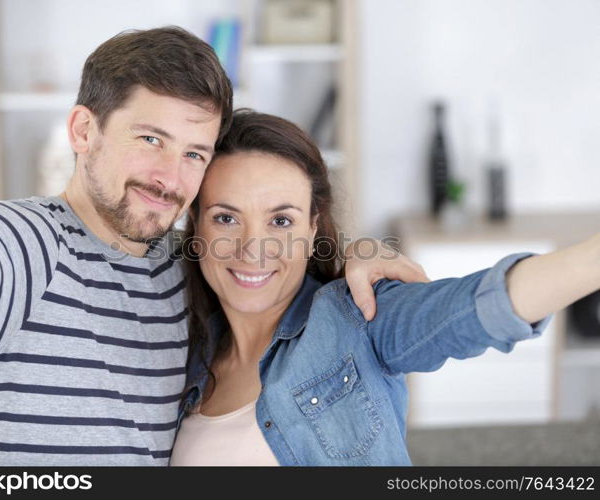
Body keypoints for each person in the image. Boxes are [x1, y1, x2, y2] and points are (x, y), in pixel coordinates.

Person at [0, 27, 426, 465]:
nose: (169, 178)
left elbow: (263, 244)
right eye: (150, 139)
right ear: (84, 131)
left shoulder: (185, 264)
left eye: (194, 153)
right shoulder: (23, 238)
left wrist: (356, 255)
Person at [170, 109, 600, 466]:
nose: (252, 248)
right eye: (226, 218)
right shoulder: (180, 351)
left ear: (313, 227)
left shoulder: (356, 317)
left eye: (281, 221)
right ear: (196, 226)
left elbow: (475, 307)